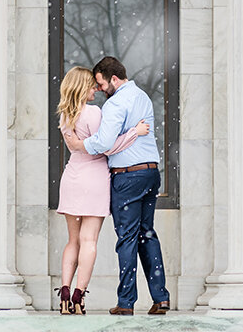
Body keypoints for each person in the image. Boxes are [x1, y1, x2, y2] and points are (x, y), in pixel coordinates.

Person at [63, 56, 171, 316]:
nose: (99, 89)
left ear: (113, 79)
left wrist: (80, 146)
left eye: (100, 84)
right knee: (147, 233)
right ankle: (160, 297)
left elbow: (104, 143)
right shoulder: (142, 96)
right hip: (150, 172)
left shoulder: (114, 104)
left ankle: (126, 302)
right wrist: (134, 132)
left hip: (127, 176)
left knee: (127, 238)